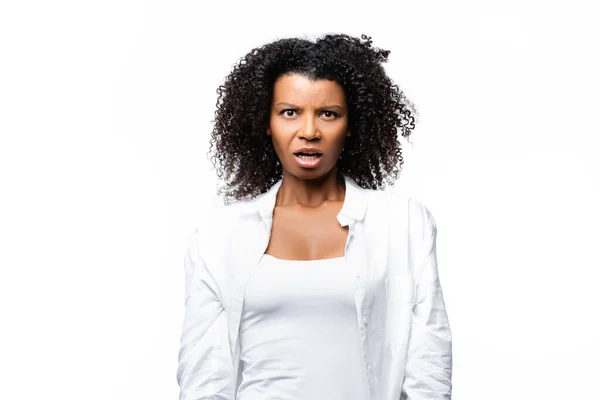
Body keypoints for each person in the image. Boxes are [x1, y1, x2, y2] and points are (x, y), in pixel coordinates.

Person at [177, 33, 452, 400]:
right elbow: (204, 379)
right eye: (290, 112)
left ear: (351, 124)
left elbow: (428, 368)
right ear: (266, 121)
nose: (309, 131)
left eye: (328, 114)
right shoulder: (219, 236)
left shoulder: (402, 224)